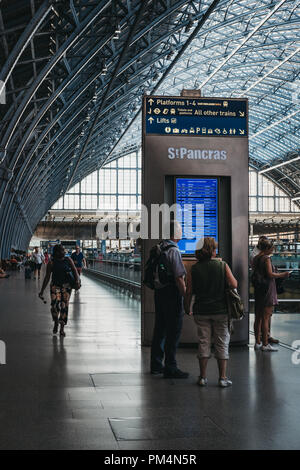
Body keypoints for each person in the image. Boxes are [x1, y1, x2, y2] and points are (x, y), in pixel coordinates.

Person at [190, 237, 237, 388]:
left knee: (204, 341)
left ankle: (202, 377)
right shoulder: (222, 265)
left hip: (201, 310)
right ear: (212, 250)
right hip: (221, 310)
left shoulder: (195, 268)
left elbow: (189, 291)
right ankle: (222, 378)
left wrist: (186, 306)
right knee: (222, 342)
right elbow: (234, 284)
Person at [150, 220, 188, 379]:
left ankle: (156, 365)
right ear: (176, 233)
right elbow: (179, 277)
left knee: (160, 328)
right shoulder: (174, 251)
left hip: (159, 293)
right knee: (173, 331)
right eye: (180, 231)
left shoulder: (159, 247)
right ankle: (171, 367)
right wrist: (186, 295)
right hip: (172, 294)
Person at [252, 238, 289, 352]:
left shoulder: (256, 258)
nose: (273, 250)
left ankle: (257, 342)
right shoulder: (266, 258)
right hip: (267, 290)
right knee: (266, 318)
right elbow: (270, 274)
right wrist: (283, 274)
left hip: (259, 290)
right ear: (267, 248)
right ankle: (265, 344)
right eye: (272, 248)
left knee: (258, 317)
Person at [39, 244, 80, 337]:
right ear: (57, 252)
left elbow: (74, 270)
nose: (64, 252)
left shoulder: (68, 260)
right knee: (54, 305)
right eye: (62, 250)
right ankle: (56, 321)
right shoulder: (51, 263)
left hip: (67, 287)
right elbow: (47, 277)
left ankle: (62, 328)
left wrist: (77, 281)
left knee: (64, 306)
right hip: (55, 286)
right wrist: (42, 291)